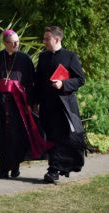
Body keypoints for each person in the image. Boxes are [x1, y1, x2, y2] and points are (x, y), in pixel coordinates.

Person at [0, 29, 51, 179]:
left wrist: (33, 103)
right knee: (0, 136)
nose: (17, 44)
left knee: (16, 136)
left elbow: (32, 83)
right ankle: (3, 169)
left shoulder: (25, 59)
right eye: (13, 42)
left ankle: (15, 166)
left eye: (18, 41)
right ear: (5, 43)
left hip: (18, 103)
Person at [34, 26, 86, 183]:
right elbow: (38, 82)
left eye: (46, 39)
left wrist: (63, 84)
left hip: (64, 106)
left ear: (57, 39)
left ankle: (54, 169)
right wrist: (34, 102)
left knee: (62, 136)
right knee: (50, 136)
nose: (44, 42)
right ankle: (54, 168)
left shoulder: (71, 57)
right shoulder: (43, 57)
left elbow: (80, 79)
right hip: (47, 105)